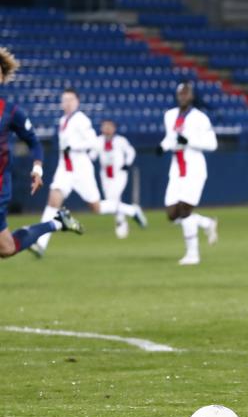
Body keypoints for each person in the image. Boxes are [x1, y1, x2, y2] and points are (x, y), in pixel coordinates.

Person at [32, 88, 147, 257]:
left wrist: (75, 147)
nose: (67, 103)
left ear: (77, 102)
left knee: (96, 207)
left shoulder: (81, 120)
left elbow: (92, 141)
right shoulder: (63, 120)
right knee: (52, 202)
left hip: (81, 170)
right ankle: (40, 244)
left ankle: (132, 210)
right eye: (64, 100)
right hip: (65, 169)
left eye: (71, 99)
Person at [0, 47, 83, 259]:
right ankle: (56, 222)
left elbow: (34, 142)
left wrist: (37, 168)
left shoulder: (10, 112)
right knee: (7, 248)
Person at [158, 81, 218, 265]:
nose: (183, 96)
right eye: (181, 94)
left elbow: (212, 144)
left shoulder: (200, 118)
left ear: (192, 96)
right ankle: (206, 223)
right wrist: (162, 146)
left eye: (187, 93)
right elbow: (171, 137)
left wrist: (189, 140)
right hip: (176, 170)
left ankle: (193, 254)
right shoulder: (169, 116)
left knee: (185, 210)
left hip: (194, 169)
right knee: (171, 214)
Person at [96, 119, 140, 239]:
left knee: (114, 196)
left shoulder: (121, 141)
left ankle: (121, 222)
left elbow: (131, 151)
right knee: (111, 199)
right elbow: (92, 154)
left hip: (119, 173)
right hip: (105, 175)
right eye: (105, 126)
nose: (107, 129)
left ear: (114, 128)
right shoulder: (98, 141)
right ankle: (130, 213)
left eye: (109, 126)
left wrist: (127, 163)